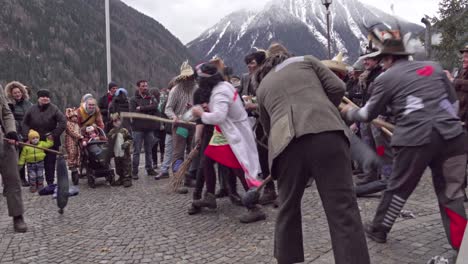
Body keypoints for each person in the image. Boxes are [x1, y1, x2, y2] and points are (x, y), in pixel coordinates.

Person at [342, 38, 467, 250]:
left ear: (390, 58)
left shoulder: (386, 78)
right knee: (451, 193)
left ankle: (379, 229)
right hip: (453, 137)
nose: (381, 64)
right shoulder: (434, 68)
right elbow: (453, 103)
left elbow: (368, 113)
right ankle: (462, 244)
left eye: (382, 60)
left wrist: (349, 112)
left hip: (415, 140)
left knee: (398, 187)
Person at [255, 50, 370, 263]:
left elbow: (266, 126)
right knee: (343, 209)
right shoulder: (307, 60)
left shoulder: (262, 86)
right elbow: (338, 87)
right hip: (327, 133)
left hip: (286, 143)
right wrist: (324, 108)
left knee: (287, 208)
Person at [191, 62, 267, 223]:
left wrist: (201, 113)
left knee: (239, 167)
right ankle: (210, 196)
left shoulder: (220, 93)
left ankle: (254, 206)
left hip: (231, 132)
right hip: (224, 131)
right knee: (207, 159)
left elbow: (219, 116)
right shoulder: (223, 86)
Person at [22, 89, 66, 186]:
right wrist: (27, 137)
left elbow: (63, 122)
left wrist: (54, 134)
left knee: (50, 163)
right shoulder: (31, 109)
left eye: (47, 97)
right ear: (38, 99)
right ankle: (35, 183)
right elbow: (25, 123)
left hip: (51, 140)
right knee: (33, 161)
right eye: (43, 97)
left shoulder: (54, 109)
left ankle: (50, 183)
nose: (45, 98)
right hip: (35, 141)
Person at [165, 61, 197, 189]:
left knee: (192, 152)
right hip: (180, 126)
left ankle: (188, 177)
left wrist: (194, 107)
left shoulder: (196, 88)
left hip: (194, 124)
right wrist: (174, 117)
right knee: (178, 152)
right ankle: (177, 179)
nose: (189, 79)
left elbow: (201, 106)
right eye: (186, 77)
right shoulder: (175, 90)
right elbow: (168, 108)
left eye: (190, 77)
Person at [0, 84, 28, 233]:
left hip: (3, 140)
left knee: (13, 178)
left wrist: (11, 131)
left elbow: (6, 113)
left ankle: (18, 216)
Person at [5, 81, 33, 187]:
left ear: (22, 92)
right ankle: (20, 178)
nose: (17, 94)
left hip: (28, 132)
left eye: (19, 92)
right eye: (15, 93)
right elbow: (9, 119)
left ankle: (32, 177)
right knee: (18, 157)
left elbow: (32, 117)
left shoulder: (28, 104)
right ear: (11, 94)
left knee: (28, 155)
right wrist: (13, 134)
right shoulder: (9, 105)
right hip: (15, 132)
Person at [129, 80, 158, 179]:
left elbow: (155, 107)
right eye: (143, 86)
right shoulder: (133, 99)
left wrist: (141, 108)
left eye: (146, 86)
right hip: (137, 129)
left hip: (149, 128)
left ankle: (149, 169)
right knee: (136, 150)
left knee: (149, 150)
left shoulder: (151, 98)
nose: (145, 88)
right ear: (138, 87)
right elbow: (133, 112)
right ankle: (135, 171)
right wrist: (148, 109)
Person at [107, 113, 133, 188]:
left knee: (126, 165)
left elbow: (130, 139)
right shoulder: (111, 132)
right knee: (118, 166)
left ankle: (127, 179)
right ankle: (121, 177)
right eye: (114, 121)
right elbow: (109, 141)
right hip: (116, 153)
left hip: (125, 153)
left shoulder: (124, 131)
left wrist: (126, 143)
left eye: (117, 120)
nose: (116, 122)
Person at [65, 108, 84, 185]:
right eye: (73, 117)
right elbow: (72, 132)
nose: (75, 118)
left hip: (77, 141)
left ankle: (77, 167)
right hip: (71, 141)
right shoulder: (68, 124)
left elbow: (78, 131)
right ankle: (73, 169)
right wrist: (80, 136)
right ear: (70, 117)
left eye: (76, 117)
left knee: (78, 153)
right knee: (72, 153)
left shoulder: (77, 125)